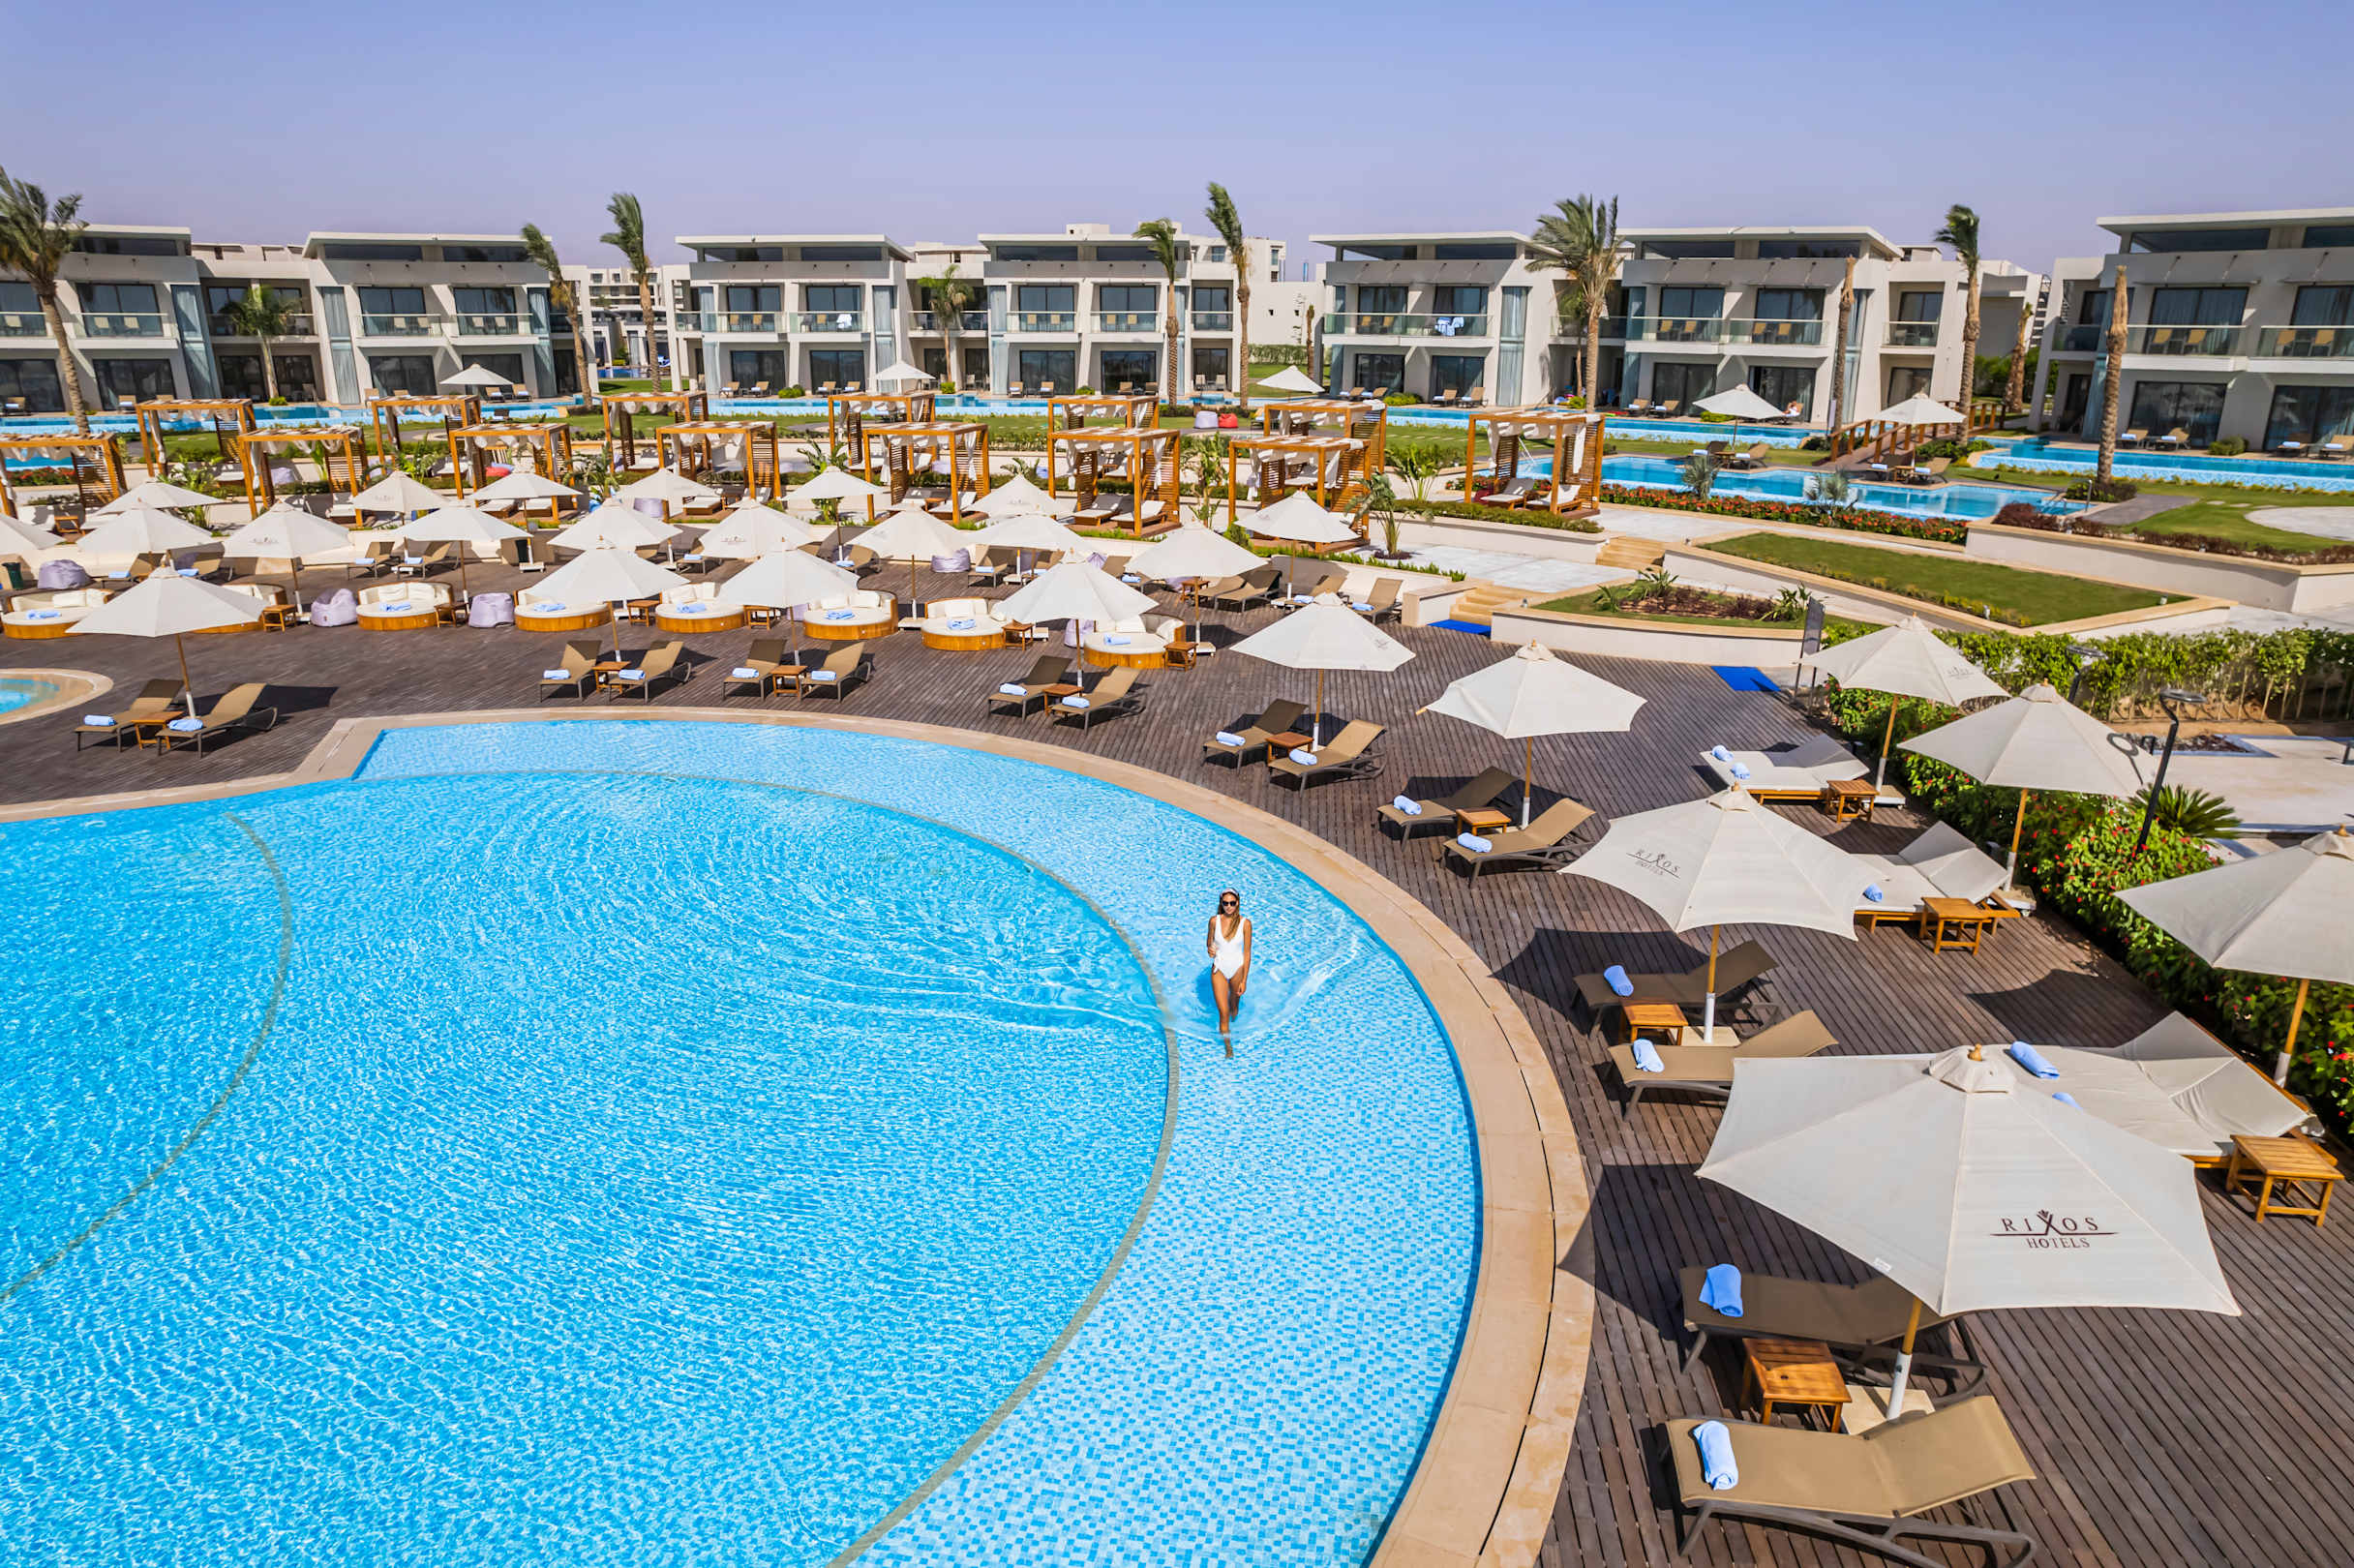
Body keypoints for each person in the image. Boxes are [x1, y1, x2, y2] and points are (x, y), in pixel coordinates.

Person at [1206, 889, 1252, 1052]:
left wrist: (1244, 980)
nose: (1229, 906)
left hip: (1237, 969)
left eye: (1232, 903)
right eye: (1225, 903)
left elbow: (1247, 953)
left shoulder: (1245, 924)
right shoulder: (1214, 921)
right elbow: (1209, 943)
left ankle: (1235, 1020)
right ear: (1221, 903)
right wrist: (1210, 949)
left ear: (1237, 903)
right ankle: (1228, 1047)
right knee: (1223, 1012)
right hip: (1219, 968)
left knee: (1234, 1006)